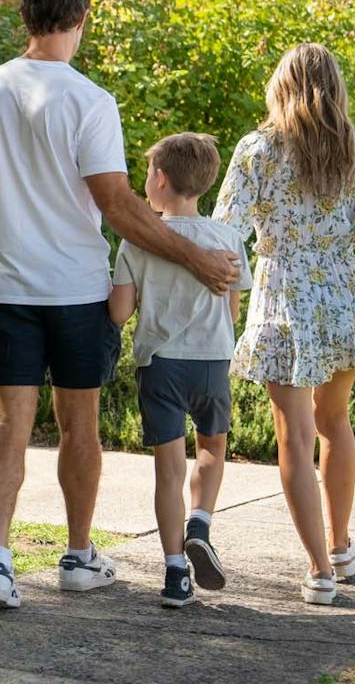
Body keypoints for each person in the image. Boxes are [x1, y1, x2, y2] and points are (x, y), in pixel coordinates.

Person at [0, 0, 239, 612]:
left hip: (2, 285)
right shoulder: (89, 100)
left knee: (8, 421)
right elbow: (116, 203)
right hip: (76, 289)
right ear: (80, 19)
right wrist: (193, 256)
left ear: (26, 20)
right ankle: (78, 556)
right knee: (78, 422)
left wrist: (9, 235)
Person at [214, 44, 355, 605]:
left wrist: (220, 309)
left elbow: (225, 237)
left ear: (280, 87)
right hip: (341, 297)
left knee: (294, 435)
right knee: (334, 424)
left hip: (283, 299)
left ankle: (320, 569)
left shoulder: (257, 151)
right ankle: (339, 546)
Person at [108, 134, 252, 608]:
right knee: (211, 447)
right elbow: (231, 314)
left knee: (167, 471)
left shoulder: (137, 242)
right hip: (211, 361)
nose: (146, 181)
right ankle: (201, 524)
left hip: (160, 366)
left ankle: (175, 574)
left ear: (161, 178)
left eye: (148, 173)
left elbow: (119, 313)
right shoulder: (228, 239)